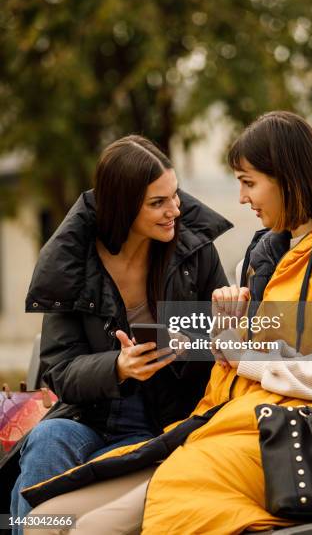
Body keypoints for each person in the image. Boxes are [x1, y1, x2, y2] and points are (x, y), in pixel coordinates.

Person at [24, 112, 312, 535]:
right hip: (228, 426)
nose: (241, 197)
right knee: (41, 520)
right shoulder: (262, 256)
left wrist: (243, 356)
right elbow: (245, 349)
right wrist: (227, 328)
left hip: (300, 438)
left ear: (287, 178)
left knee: (92, 528)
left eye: (249, 181)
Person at [9, 134, 232, 531]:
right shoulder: (71, 261)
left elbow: (221, 340)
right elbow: (59, 369)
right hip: (90, 415)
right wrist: (117, 366)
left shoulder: (194, 252)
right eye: (158, 203)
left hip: (164, 420)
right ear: (123, 206)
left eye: (175, 196)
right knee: (46, 441)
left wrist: (219, 323)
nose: (175, 211)